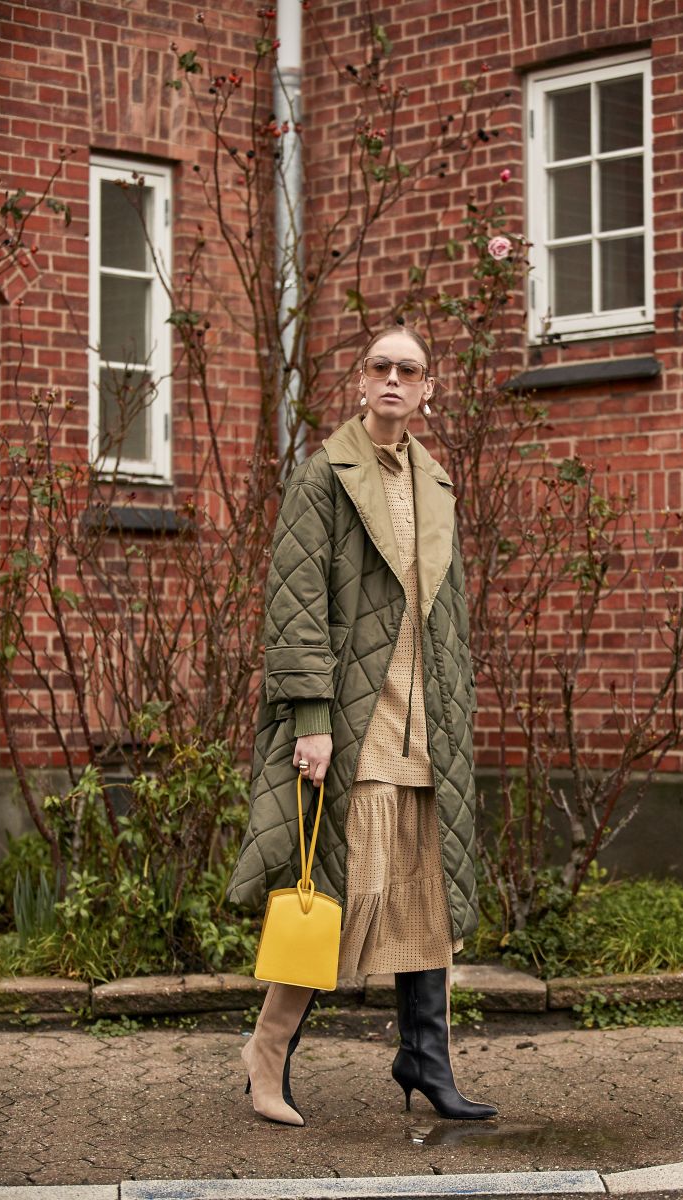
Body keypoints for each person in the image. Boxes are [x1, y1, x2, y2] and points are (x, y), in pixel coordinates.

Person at [227, 324, 497, 1126]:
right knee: (341, 891)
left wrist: (456, 712)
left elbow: (448, 616)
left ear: (427, 389)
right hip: (355, 717)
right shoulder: (325, 475)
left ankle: (425, 1059)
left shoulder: (437, 482)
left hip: (428, 720)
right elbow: (296, 605)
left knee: (425, 894)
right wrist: (311, 719)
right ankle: (267, 1051)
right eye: (381, 366)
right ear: (361, 381)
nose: (393, 379)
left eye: (409, 370)